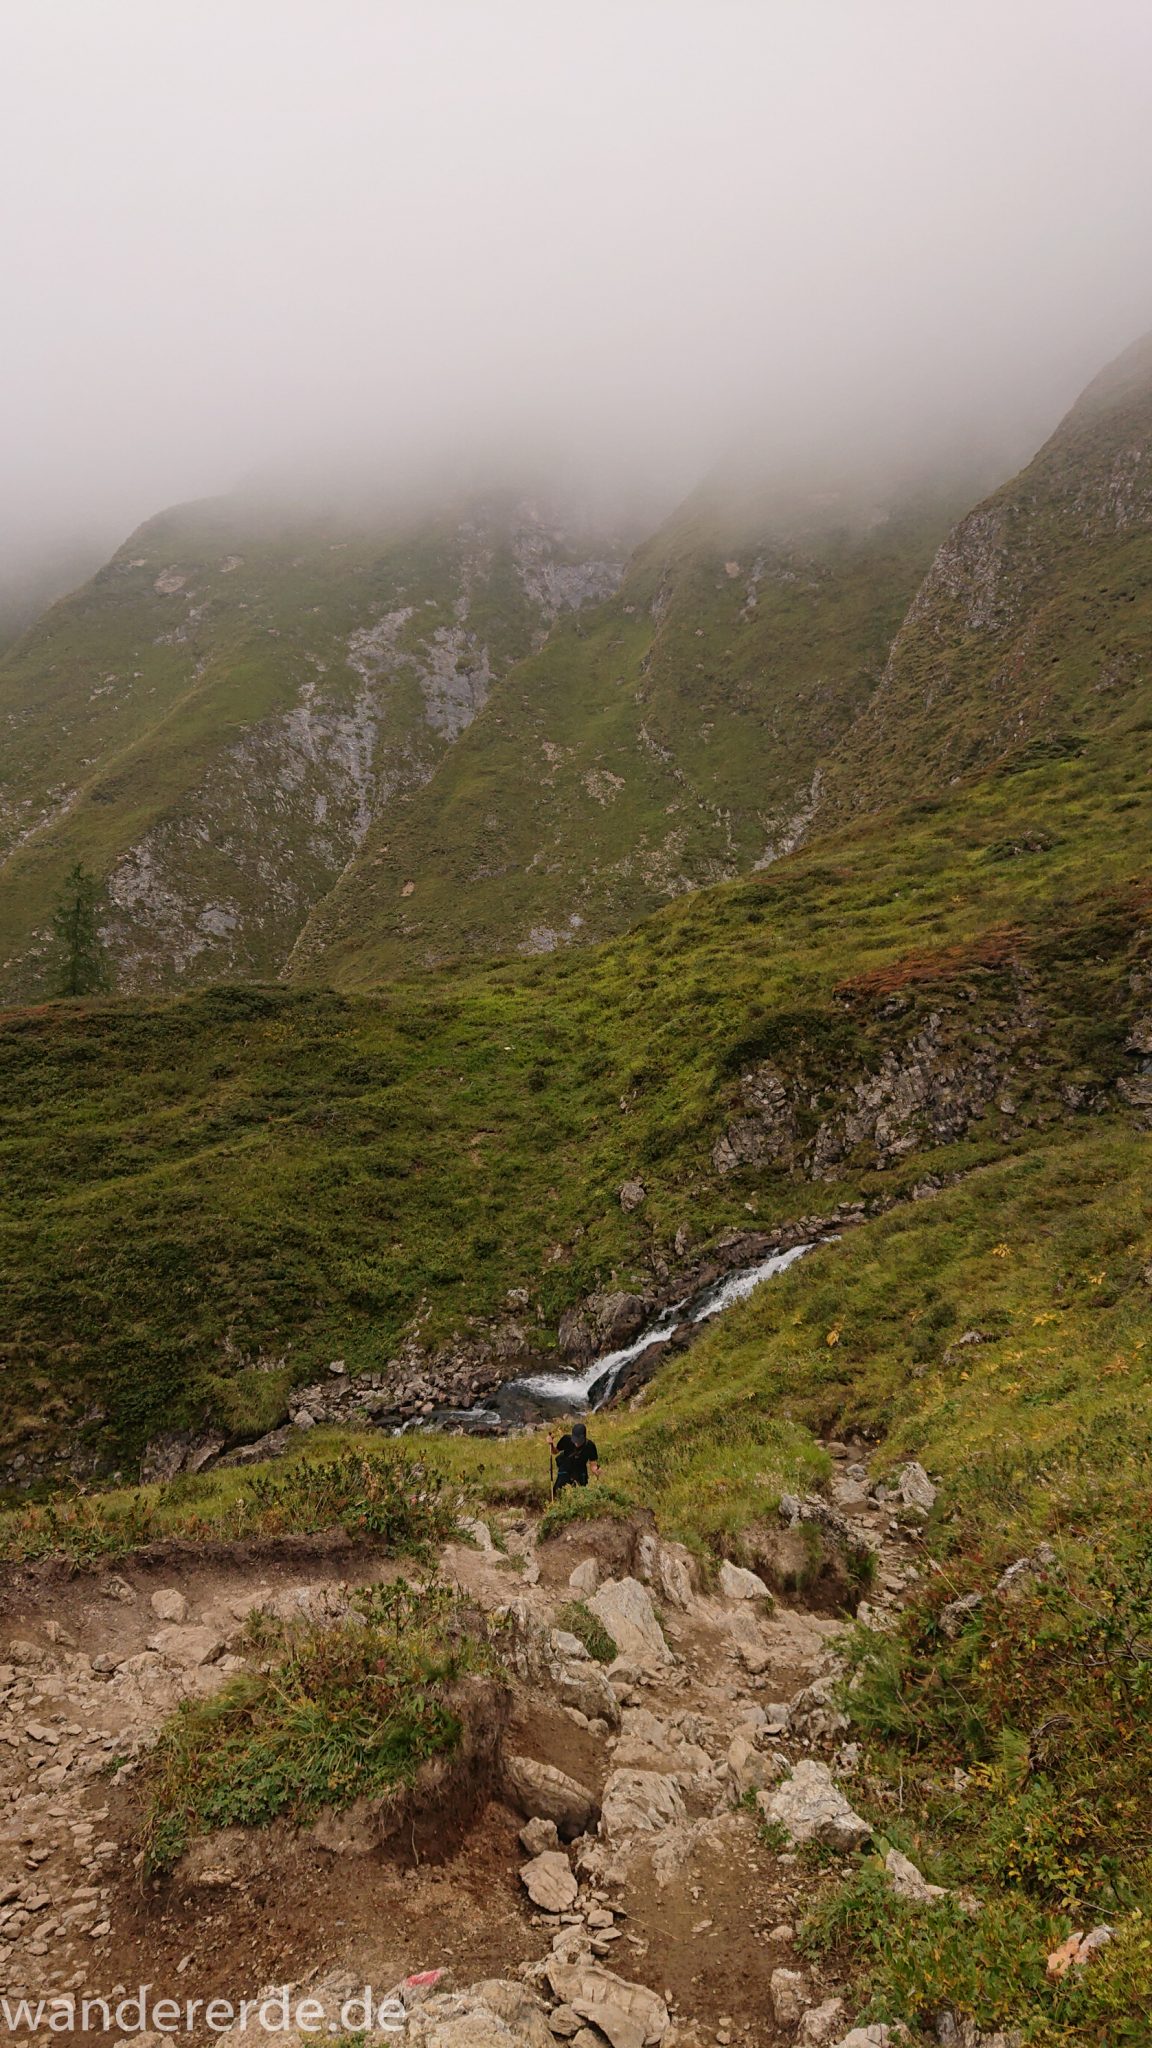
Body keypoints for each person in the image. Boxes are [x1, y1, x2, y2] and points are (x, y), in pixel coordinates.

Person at [550, 1418, 599, 1495]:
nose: (576, 1443)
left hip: (580, 1470)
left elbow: (593, 1464)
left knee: (582, 1493)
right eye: (575, 1440)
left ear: (584, 1437)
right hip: (565, 1467)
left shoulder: (590, 1446)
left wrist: (596, 1471)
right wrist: (551, 1444)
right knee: (558, 1491)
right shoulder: (566, 1439)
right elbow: (555, 1451)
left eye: (579, 1440)